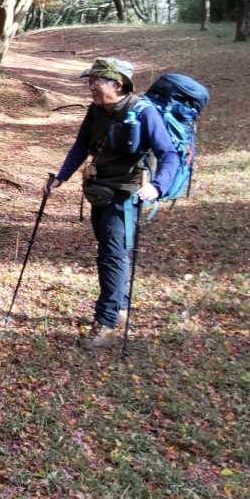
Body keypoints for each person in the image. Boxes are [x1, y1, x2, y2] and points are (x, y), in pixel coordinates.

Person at [45, 57, 178, 350]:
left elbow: (169, 155)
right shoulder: (96, 110)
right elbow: (81, 145)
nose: (90, 88)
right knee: (112, 253)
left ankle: (106, 326)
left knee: (111, 255)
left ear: (117, 85)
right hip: (99, 190)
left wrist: (157, 187)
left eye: (96, 82)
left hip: (126, 194)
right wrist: (61, 178)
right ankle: (119, 307)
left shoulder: (144, 113)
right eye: (89, 82)